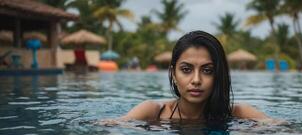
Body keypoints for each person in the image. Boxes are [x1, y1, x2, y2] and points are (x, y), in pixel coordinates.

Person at [104, 30, 274, 123]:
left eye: (207, 70)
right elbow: (110, 128)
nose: (196, 80)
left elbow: (283, 130)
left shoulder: (237, 113)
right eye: (186, 69)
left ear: (218, 76)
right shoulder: (154, 111)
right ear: (173, 73)